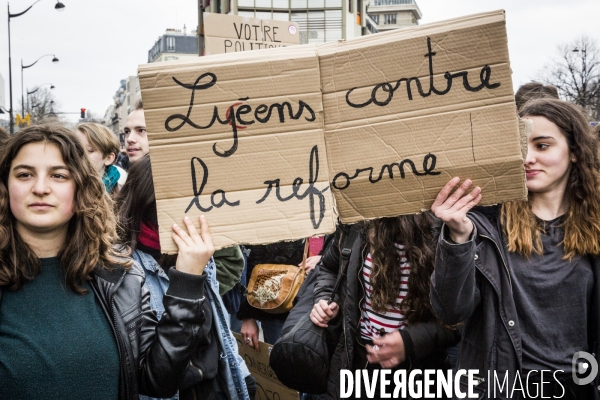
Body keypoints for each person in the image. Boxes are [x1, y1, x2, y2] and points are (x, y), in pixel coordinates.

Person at [0, 124, 213, 399]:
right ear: (6, 185)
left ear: (81, 188)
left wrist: (187, 282)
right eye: (25, 174)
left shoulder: (120, 276)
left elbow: (158, 380)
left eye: (59, 175)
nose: (40, 188)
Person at [431, 98, 600, 399]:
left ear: (574, 152)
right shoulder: (485, 223)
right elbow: (449, 310)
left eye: (542, 146)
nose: (528, 157)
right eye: (521, 146)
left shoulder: (595, 227)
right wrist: (458, 239)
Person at [115, 154, 255, 400]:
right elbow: (155, 372)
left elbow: (218, 325)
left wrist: (242, 374)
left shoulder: (197, 249)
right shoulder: (122, 265)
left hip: (212, 386)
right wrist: (187, 280)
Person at [311, 216, 459, 399]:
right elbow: (328, 268)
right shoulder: (356, 225)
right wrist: (324, 298)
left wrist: (410, 341)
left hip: (419, 372)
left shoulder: (447, 229)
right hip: (358, 363)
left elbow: (462, 316)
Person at [238, 239, 306, 349]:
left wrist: (323, 258)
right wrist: (248, 316)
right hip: (275, 308)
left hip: (318, 301)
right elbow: (251, 260)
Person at [76, 122, 127, 193]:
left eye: (90, 150)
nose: (79, 154)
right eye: (76, 148)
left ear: (109, 158)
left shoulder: (123, 195)